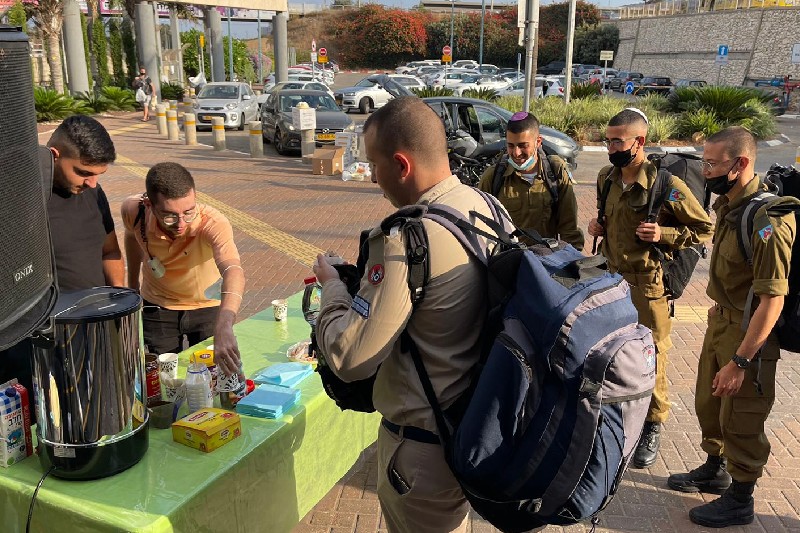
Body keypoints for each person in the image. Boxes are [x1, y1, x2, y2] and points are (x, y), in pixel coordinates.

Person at [313, 96, 504, 533]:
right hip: (472, 427)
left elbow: (350, 356)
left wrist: (331, 287)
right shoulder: (486, 209)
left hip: (422, 451)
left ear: (401, 165)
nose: (374, 178)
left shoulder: (406, 238)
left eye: (375, 165)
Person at [666, 127, 796, 527]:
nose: (704, 171)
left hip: (750, 333)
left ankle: (741, 497)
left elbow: (773, 299)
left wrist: (741, 361)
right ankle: (715, 467)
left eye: (711, 163)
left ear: (740, 164)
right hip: (720, 320)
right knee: (710, 401)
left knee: (742, 415)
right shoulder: (729, 205)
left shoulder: (766, 219)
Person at [587, 108, 713, 468]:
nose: (610, 146)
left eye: (617, 141)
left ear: (639, 142)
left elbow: (705, 230)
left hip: (647, 288)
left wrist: (665, 234)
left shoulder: (665, 186)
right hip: (610, 282)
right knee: (609, 353)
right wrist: (598, 225)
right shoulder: (606, 178)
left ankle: (653, 425)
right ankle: (614, 414)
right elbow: (608, 220)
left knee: (651, 357)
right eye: (607, 139)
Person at [0, 114, 122, 412]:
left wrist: (119, 305)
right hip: (37, 342)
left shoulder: (94, 193)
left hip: (92, 333)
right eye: (83, 172)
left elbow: (109, 251)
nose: (92, 183)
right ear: (54, 155)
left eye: (98, 175)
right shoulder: (19, 198)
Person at [121, 163, 245, 375]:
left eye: (188, 212)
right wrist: (132, 286)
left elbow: (233, 269)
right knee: (162, 378)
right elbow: (132, 237)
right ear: (150, 204)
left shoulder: (212, 222)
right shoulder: (134, 211)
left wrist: (225, 323)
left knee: (214, 376)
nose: (180, 224)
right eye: (169, 216)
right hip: (158, 308)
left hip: (207, 308)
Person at [478, 111, 584, 250]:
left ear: (538, 142)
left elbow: (569, 226)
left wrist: (573, 261)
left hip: (546, 261)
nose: (516, 152)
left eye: (523, 145)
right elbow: (481, 226)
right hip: (510, 261)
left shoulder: (555, 170)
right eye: (511, 145)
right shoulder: (493, 176)